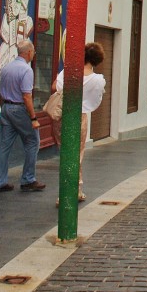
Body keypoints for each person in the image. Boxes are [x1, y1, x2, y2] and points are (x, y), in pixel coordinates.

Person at [52, 41, 106, 201]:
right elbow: (98, 96)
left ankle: (66, 190)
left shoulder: (68, 72)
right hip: (80, 115)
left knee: (65, 152)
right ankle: (75, 189)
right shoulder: (98, 79)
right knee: (78, 153)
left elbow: (55, 86)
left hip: (62, 114)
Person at [0, 40, 45, 192]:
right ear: (28, 52)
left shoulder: (7, 68)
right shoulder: (26, 70)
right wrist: (33, 118)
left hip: (6, 107)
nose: (34, 53)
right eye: (33, 51)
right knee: (32, 141)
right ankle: (28, 179)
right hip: (19, 109)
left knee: (4, 145)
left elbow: (1, 90)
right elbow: (27, 96)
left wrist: (5, 106)